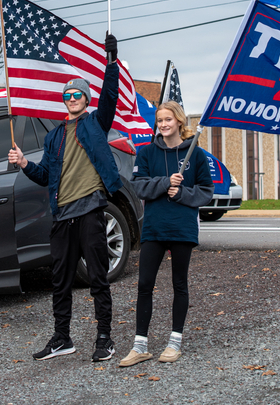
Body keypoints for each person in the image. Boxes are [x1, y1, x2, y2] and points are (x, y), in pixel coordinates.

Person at [8, 34, 121, 363]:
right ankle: (62, 338)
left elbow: (110, 96)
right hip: (62, 217)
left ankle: (104, 338)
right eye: (68, 95)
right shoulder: (54, 135)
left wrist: (111, 61)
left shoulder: (96, 123)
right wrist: (24, 164)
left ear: (85, 100)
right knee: (60, 281)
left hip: (90, 211)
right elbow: (45, 176)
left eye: (77, 94)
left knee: (98, 278)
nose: (72, 98)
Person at [119, 100, 214, 367]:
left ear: (179, 122)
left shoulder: (195, 154)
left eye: (168, 120)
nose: (163, 125)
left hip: (182, 228)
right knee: (144, 284)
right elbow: (138, 186)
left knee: (179, 284)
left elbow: (206, 191)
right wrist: (165, 182)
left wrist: (182, 192)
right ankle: (140, 346)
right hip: (154, 228)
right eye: (159, 121)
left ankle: (174, 342)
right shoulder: (147, 152)